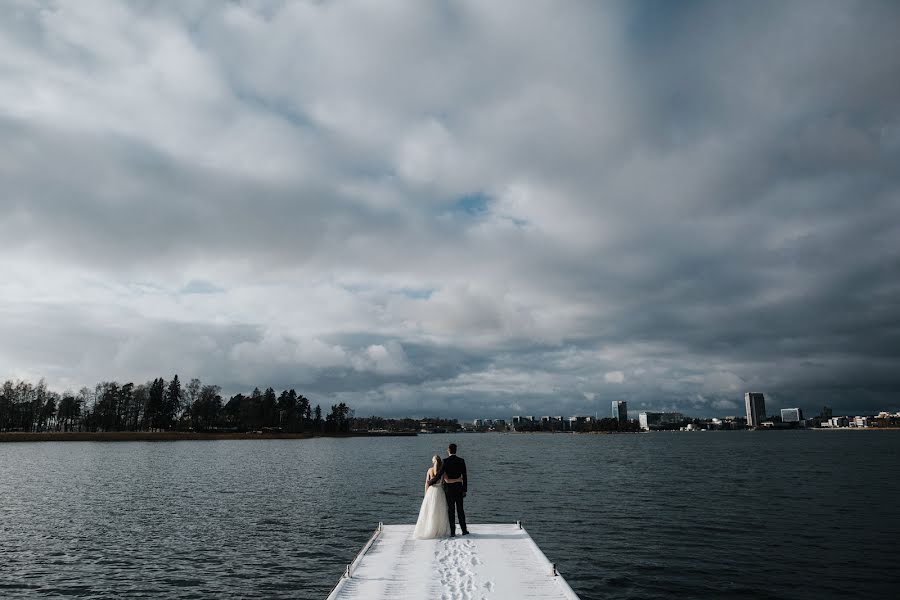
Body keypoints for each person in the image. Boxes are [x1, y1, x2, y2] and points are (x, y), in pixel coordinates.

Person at [413, 455, 463, 539]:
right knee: (440, 512)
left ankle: (430, 530)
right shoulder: (442, 471)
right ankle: (438, 530)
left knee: (430, 511)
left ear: (433, 462)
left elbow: (427, 483)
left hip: (431, 492)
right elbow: (448, 480)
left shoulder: (429, 470)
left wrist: (426, 495)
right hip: (439, 492)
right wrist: (458, 479)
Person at [428, 443, 468, 536]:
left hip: (449, 490)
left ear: (448, 450)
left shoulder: (445, 461)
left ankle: (453, 532)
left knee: (451, 510)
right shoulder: (461, 461)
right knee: (460, 510)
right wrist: (464, 490)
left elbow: (439, 474)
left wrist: (431, 482)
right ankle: (464, 530)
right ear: (455, 450)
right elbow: (465, 476)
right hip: (459, 489)